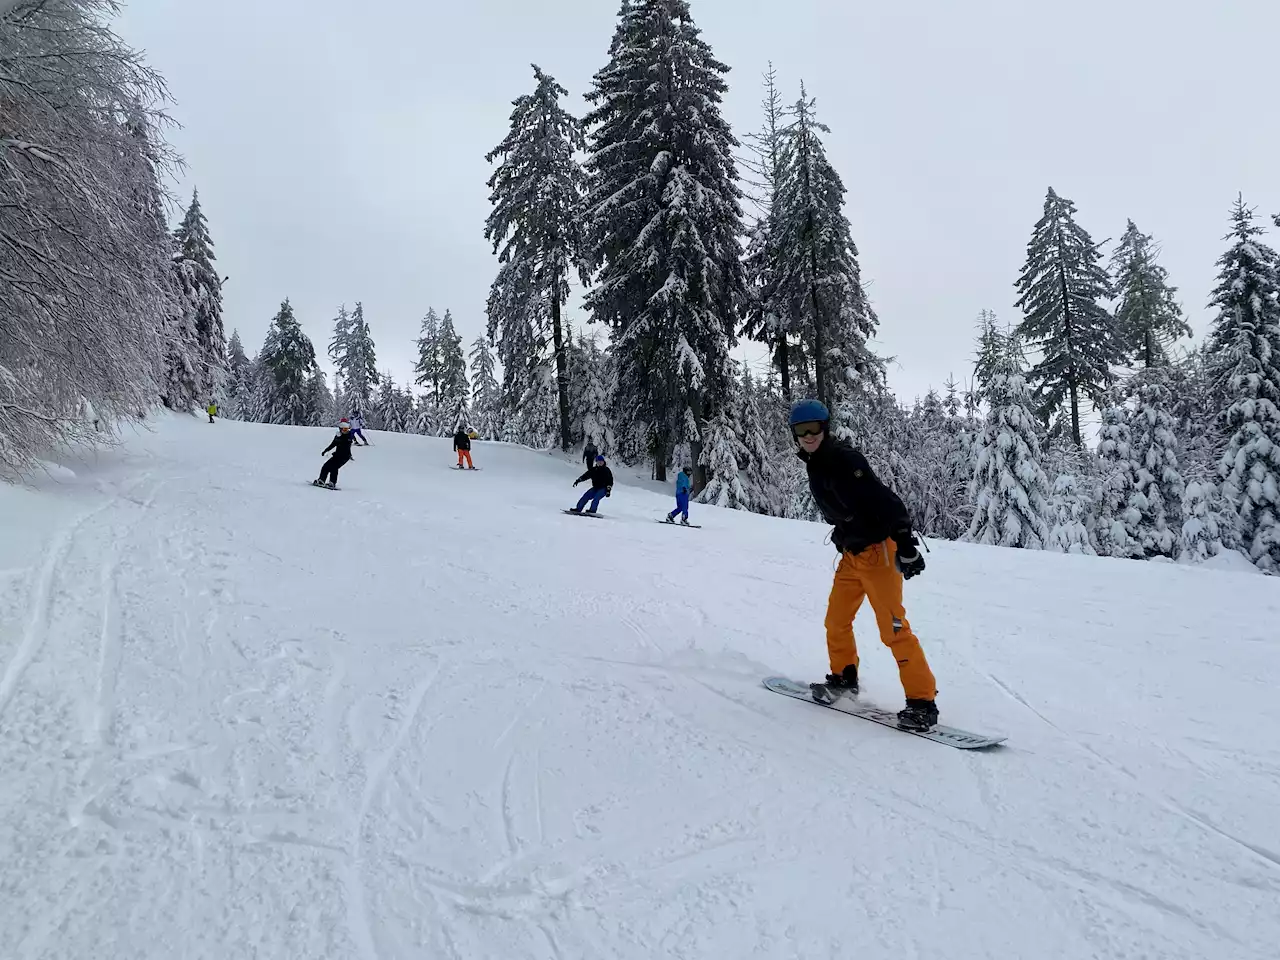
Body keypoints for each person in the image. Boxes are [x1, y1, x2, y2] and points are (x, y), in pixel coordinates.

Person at [789, 398, 937, 732]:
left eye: (814, 429)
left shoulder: (846, 460)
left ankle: (922, 702)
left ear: (825, 428)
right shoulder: (815, 462)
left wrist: (906, 543)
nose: (808, 435)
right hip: (852, 555)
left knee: (894, 629)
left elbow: (886, 501)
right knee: (836, 621)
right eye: (801, 431)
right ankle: (844, 680)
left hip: (878, 554)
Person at [315, 421, 357, 489]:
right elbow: (333, 444)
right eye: (344, 429)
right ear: (340, 429)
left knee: (334, 468)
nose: (345, 431)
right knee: (325, 466)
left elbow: (347, 440)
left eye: (346, 429)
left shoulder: (348, 436)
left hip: (344, 457)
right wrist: (326, 450)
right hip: (337, 456)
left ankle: (332, 483)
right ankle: (321, 480)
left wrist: (341, 438)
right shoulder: (338, 436)